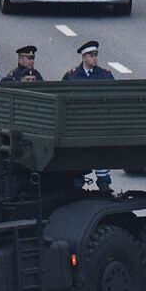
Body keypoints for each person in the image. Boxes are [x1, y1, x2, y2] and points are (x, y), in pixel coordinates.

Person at [61, 41, 114, 192]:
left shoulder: (105, 75)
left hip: (99, 121)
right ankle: (77, 179)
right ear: (84, 57)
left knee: (101, 151)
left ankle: (104, 181)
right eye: (91, 56)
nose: (95, 59)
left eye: (96, 55)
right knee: (78, 152)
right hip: (79, 123)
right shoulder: (72, 76)